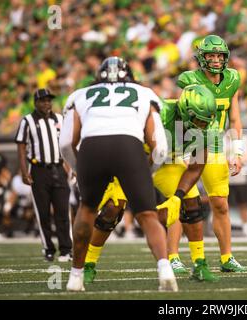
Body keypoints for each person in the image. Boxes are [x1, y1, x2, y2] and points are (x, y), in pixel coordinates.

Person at [82, 84, 221, 284]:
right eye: (199, 119)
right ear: (184, 112)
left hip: (166, 162)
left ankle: (200, 264)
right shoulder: (160, 113)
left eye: (207, 119)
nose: (203, 125)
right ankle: (88, 264)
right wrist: (113, 176)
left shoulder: (209, 128)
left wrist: (177, 197)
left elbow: (196, 167)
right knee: (113, 209)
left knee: (191, 202)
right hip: (133, 160)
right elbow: (124, 144)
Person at [59, 56, 176, 292]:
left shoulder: (81, 95)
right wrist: (147, 171)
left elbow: (65, 144)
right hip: (129, 147)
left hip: (92, 147)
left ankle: (75, 276)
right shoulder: (144, 93)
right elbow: (160, 147)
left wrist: (79, 167)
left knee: (87, 209)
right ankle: (165, 270)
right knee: (147, 215)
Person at [173, 34, 247, 273]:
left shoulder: (232, 79)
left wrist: (237, 150)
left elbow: (235, 117)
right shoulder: (189, 80)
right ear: (201, 58)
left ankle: (227, 257)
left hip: (216, 146)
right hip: (191, 144)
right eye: (211, 55)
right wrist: (180, 149)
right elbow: (180, 114)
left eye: (219, 55)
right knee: (183, 202)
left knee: (221, 204)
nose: (215, 60)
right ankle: (173, 256)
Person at [15, 89, 72, 262]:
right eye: (43, 100)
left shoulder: (60, 119)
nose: (46, 103)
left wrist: (70, 165)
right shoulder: (28, 121)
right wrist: (24, 171)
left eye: (49, 100)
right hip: (39, 170)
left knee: (63, 211)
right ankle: (48, 248)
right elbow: (21, 146)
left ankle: (66, 250)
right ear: (35, 102)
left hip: (59, 168)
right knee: (43, 213)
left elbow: (67, 144)